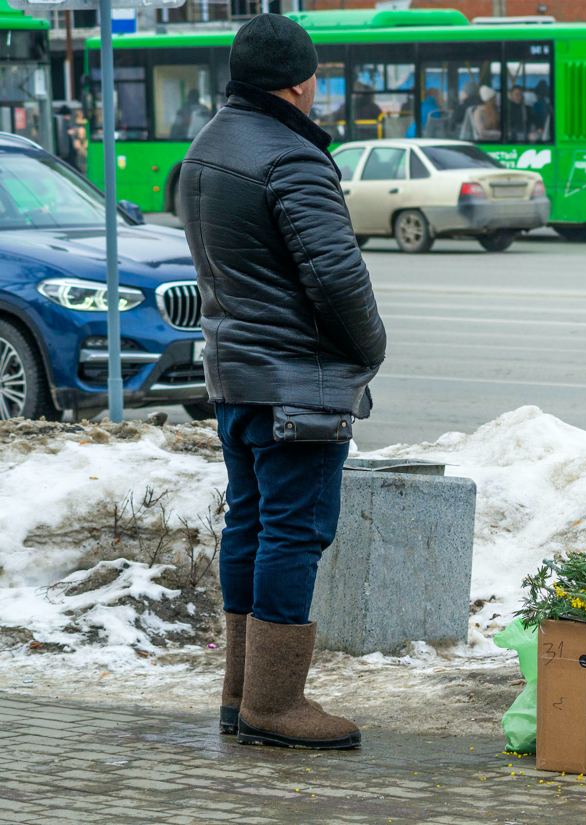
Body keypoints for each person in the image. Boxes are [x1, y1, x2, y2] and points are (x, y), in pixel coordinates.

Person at [177, 13, 387, 751]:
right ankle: (276, 702)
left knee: (253, 524)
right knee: (294, 532)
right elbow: (336, 277)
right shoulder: (291, 158)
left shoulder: (207, 148)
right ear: (302, 84)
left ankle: (242, 694)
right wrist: (371, 346)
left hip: (236, 377)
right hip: (297, 384)